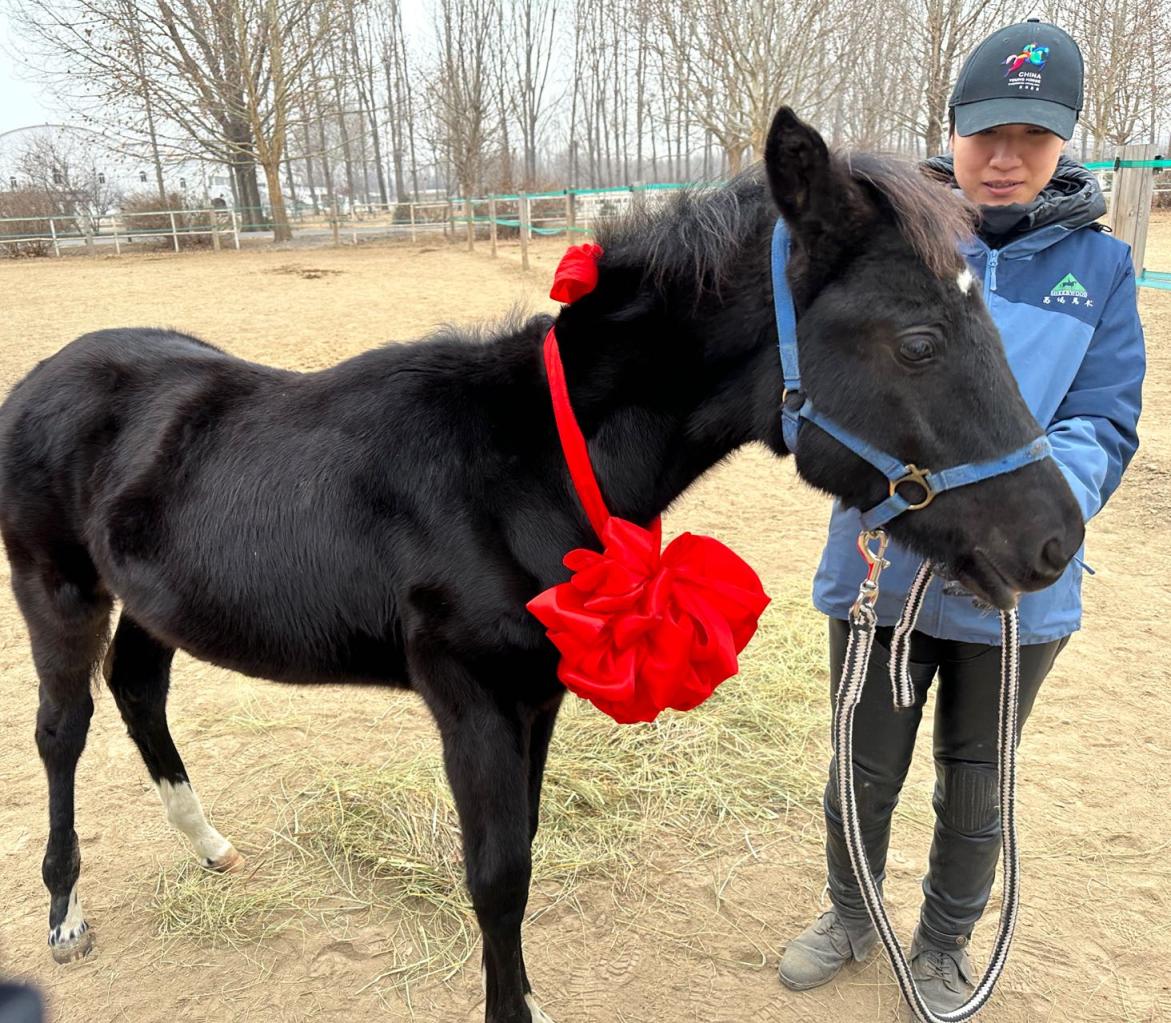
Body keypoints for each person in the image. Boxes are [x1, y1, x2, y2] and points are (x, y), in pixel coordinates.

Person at [778, 19, 1146, 1013]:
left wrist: (1018, 507)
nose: (1005, 157)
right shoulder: (894, 242)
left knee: (975, 781)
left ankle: (941, 946)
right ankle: (849, 915)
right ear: (954, 129)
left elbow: (1103, 418)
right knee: (862, 766)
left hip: (1012, 579)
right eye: (987, 132)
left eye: (1032, 136)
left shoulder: (1101, 272)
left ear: (1065, 140)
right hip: (881, 568)